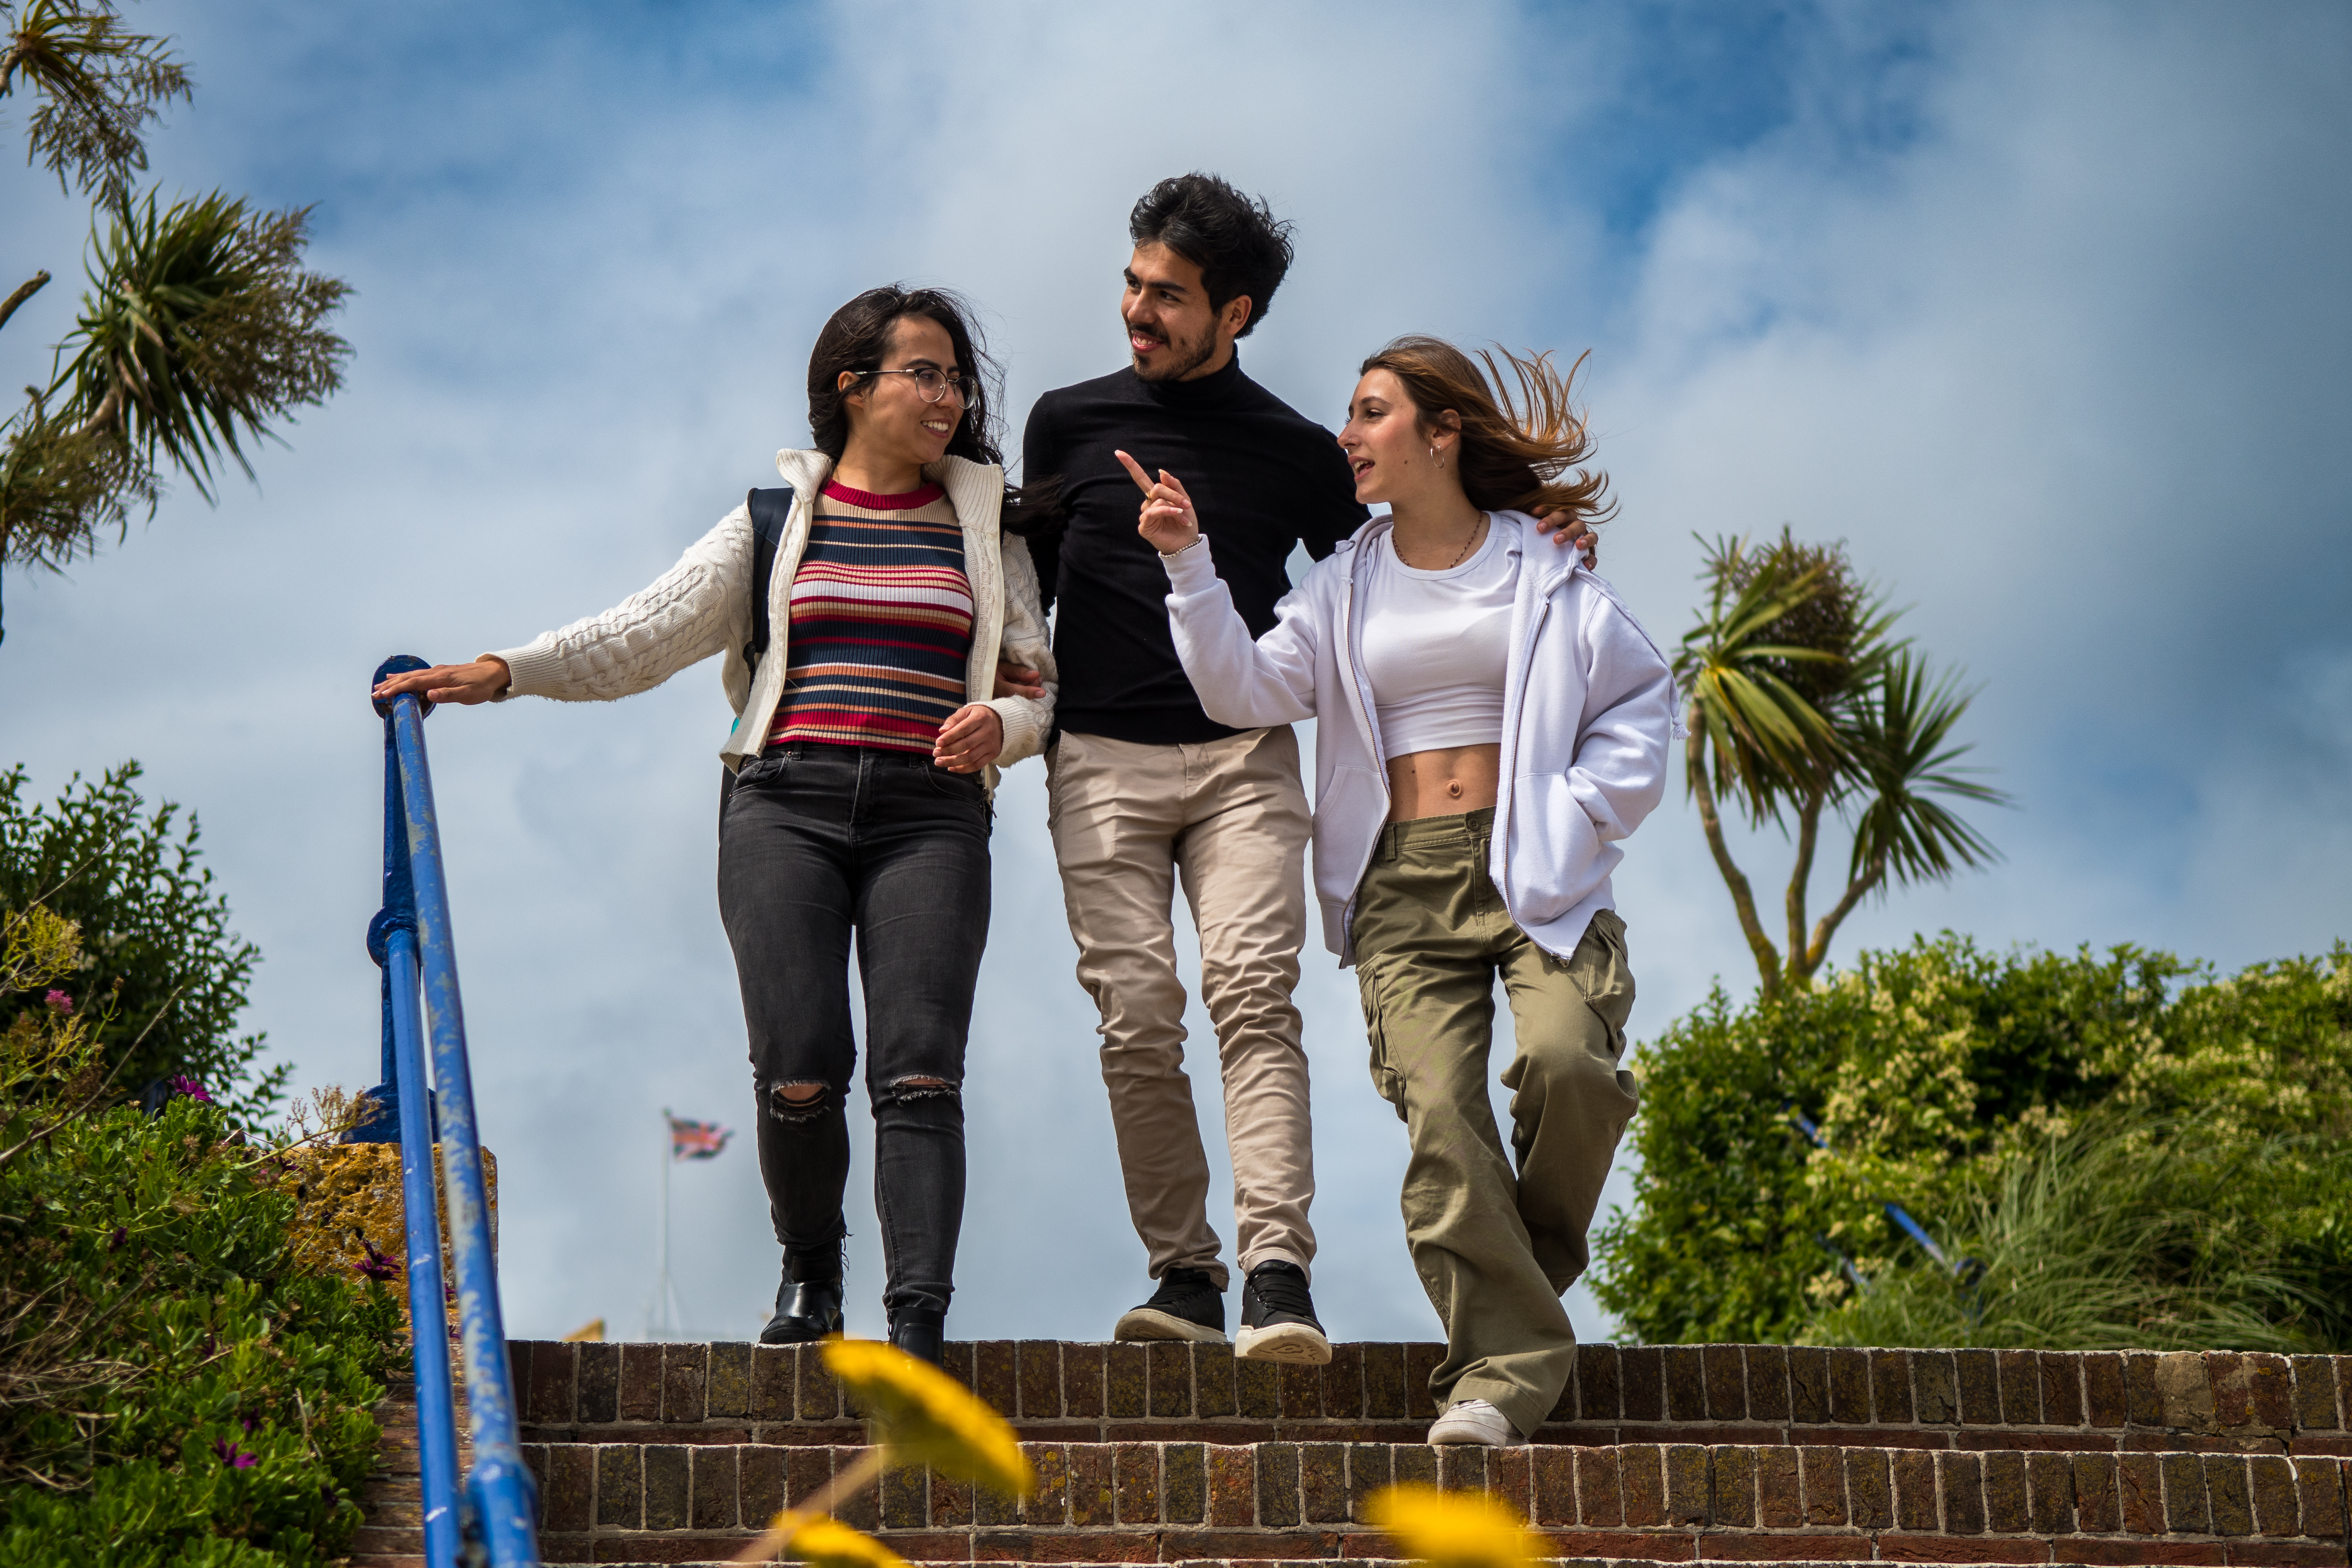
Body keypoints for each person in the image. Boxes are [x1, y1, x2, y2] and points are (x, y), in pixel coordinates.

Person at [370, 286, 1058, 1364]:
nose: (948, 395)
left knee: (921, 1066)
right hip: (783, 803)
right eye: (923, 372)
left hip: (930, 815)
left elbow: (1039, 688)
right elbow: (643, 631)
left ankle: (919, 1313)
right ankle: (812, 1272)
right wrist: (503, 672)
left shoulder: (986, 523)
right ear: (854, 386)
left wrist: (1003, 725)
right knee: (798, 1061)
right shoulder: (776, 520)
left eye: (955, 378)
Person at [1011, 173, 1596, 1363]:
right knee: (1135, 1021)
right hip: (1101, 765)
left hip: (1243, 767)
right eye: (1133, 282)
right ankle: (1183, 1280)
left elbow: (1405, 566)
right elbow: (1026, 595)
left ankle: (1278, 1276)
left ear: (1235, 314)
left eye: (1168, 296)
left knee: (1251, 1000)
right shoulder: (1067, 423)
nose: (1138, 308)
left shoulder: (1293, 450)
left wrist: (1542, 545)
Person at [1124, 335, 1674, 1445]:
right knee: (1441, 1117)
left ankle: (1511, 1286)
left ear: (1441, 432)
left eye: (1373, 413)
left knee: (1570, 1064)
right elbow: (1243, 689)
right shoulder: (1343, 586)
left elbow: (1642, 705)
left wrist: (1579, 813)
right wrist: (1189, 564)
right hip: (1401, 886)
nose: (1350, 435)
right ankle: (1499, 1380)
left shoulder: (1546, 567)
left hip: (1536, 867)